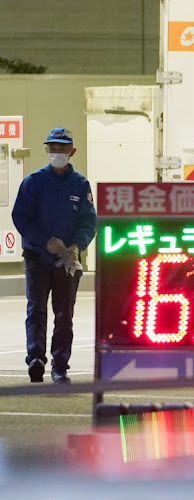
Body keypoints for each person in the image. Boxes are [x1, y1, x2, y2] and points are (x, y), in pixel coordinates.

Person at [12, 127, 96, 384]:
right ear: (46, 150)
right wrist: (44, 241)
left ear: (72, 151)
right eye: (52, 148)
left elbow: (88, 222)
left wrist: (75, 247)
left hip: (66, 263)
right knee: (36, 309)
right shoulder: (33, 183)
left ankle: (60, 366)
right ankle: (35, 359)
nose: (57, 153)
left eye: (62, 148)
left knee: (64, 314)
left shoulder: (80, 185)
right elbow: (21, 218)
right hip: (37, 259)